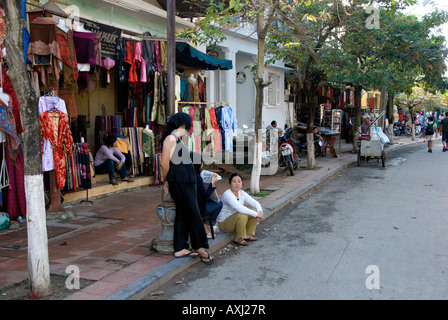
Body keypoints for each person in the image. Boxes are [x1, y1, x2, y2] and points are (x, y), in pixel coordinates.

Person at [160, 112, 213, 265]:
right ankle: (199, 247)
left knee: (183, 214)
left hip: (186, 181)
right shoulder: (170, 139)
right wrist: (167, 181)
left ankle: (179, 248)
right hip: (180, 182)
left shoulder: (177, 139)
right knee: (193, 214)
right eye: (188, 125)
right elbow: (165, 163)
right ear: (183, 124)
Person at [217, 173, 263, 246]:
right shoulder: (227, 194)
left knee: (253, 210)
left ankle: (247, 234)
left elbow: (255, 202)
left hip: (235, 220)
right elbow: (239, 208)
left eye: (239, 181)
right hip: (224, 224)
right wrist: (256, 215)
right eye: (234, 182)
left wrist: (259, 212)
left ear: (242, 183)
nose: (237, 184)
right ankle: (239, 237)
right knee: (243, 214)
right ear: (230, 184)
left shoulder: (241, 193)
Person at [193, 153, 223, 239]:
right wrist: (212, 183)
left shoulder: (187, 175)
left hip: (189, 206)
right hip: (198, 209)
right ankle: (207, 226)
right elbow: (205, 196)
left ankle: (207, 226)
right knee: (219, 203)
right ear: (200, 164)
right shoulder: (197, 178)